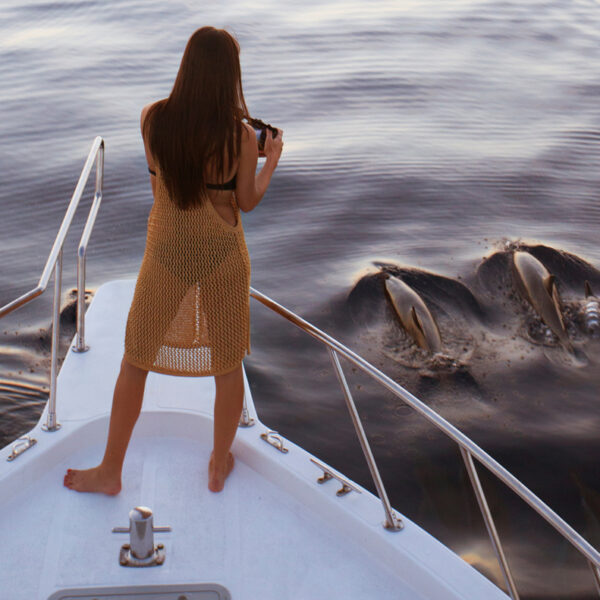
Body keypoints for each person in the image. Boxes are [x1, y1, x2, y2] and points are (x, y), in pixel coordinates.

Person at [63, 26, 283, 495]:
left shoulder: (151, 120)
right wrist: (270, 159)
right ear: (229, 78)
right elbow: (245, 202)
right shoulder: (242, 138)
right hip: (223, 257)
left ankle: (110, 470)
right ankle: (219, 461)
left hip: (168, 253)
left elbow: (158, 191)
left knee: (135, 361)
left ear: (186, 68)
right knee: (227, 367)